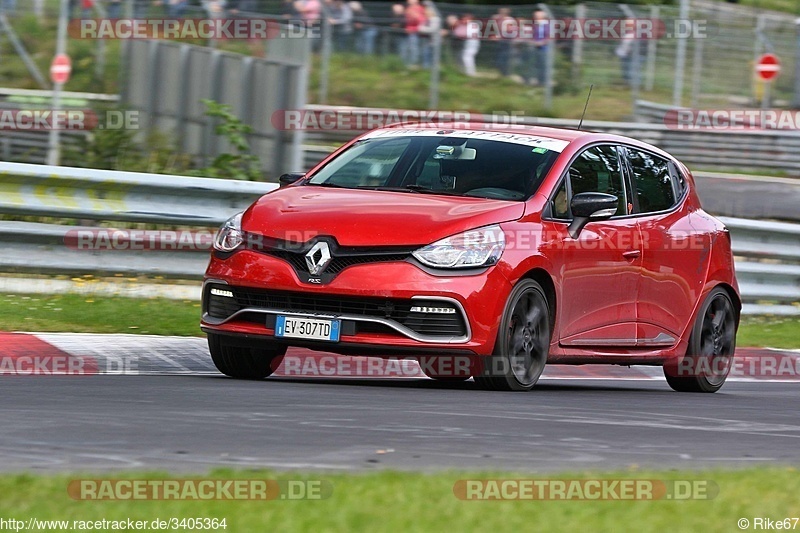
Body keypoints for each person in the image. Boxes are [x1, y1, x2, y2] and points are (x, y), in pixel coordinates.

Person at [524, 8, 549, 86]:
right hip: (534, 47)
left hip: (544, 48)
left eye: (537, 15)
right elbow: (530, 35)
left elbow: (550, 36)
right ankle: (529, 80)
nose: (535, 17)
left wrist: (542, 42)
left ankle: (542, 82)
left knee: (542, 65)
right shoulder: (534, 25)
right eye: (535, 15)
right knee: (532, 64)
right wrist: (532, 41)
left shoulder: (547, 25)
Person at [616, 18, 641, 87]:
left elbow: (637, 45)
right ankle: (627, 84)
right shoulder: (627, 34)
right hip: (625, 54)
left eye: (628, 25)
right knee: (626, 70)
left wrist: (631, 50)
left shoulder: (637, 34)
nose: (626, 26)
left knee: (632, 70)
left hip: (632, 55)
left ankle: (635, 85)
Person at [452, 13, 479, 77]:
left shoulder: (473, 25)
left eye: (468, 19)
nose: (465, 20)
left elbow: (464, 34)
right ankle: (463, 71)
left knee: (467, 57)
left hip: (472, 44)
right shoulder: (464, 25)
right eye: (464, 19)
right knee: (462, 57)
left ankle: (470, 73)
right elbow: (456, 33)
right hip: (466, 44)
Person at [402, 0, 426, 67]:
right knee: (406, 48)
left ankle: (414, 64)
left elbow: (423, 21)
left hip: (416, 33)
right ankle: (405, 64)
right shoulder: (408, 8)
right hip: (407, 32)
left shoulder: (420, 8)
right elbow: (406, 21)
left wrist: (415, 15)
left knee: (414, 49)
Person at [418, 1, 440, 69]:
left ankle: (434, 68)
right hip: (428, 40)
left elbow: (432, 29)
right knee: (426, 54)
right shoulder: (427, 19)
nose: (425, 12)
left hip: (434, 40)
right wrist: (421, 28)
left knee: (434, 55)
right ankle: (426, 68)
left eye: (427, 11)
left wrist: (421, 29)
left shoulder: (435, 19)